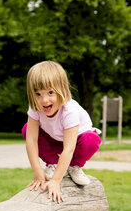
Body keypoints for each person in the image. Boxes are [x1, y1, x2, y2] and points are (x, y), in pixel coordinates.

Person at [22, 60, 101, 203]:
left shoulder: (69, 109)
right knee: (26, 129)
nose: (44, 100)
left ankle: (73, 167)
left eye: (50, 92)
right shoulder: (35, 107)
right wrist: (38, 172)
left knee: (92, 139)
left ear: (62, 90)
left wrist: (56, 181)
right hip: (53, 139)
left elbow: (69, 148)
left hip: (76, 142)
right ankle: (53, 164)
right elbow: (31, 140)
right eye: (38, 94)